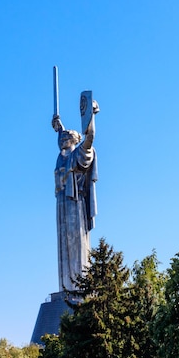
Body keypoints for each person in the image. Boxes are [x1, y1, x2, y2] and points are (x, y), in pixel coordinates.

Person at [52, 99, 99, 292]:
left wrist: (92, 117)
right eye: (61, 137)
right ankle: (66, 287)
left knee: (77, 244)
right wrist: (59, 126)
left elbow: (89, 139)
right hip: (62, 204)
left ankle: (79, 287)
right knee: (64, 245)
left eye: (67, 136)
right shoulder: (61, 157)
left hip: (75, 203)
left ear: (75, 139)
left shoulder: (80, 153)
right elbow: (62, 139)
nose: (63, 138)